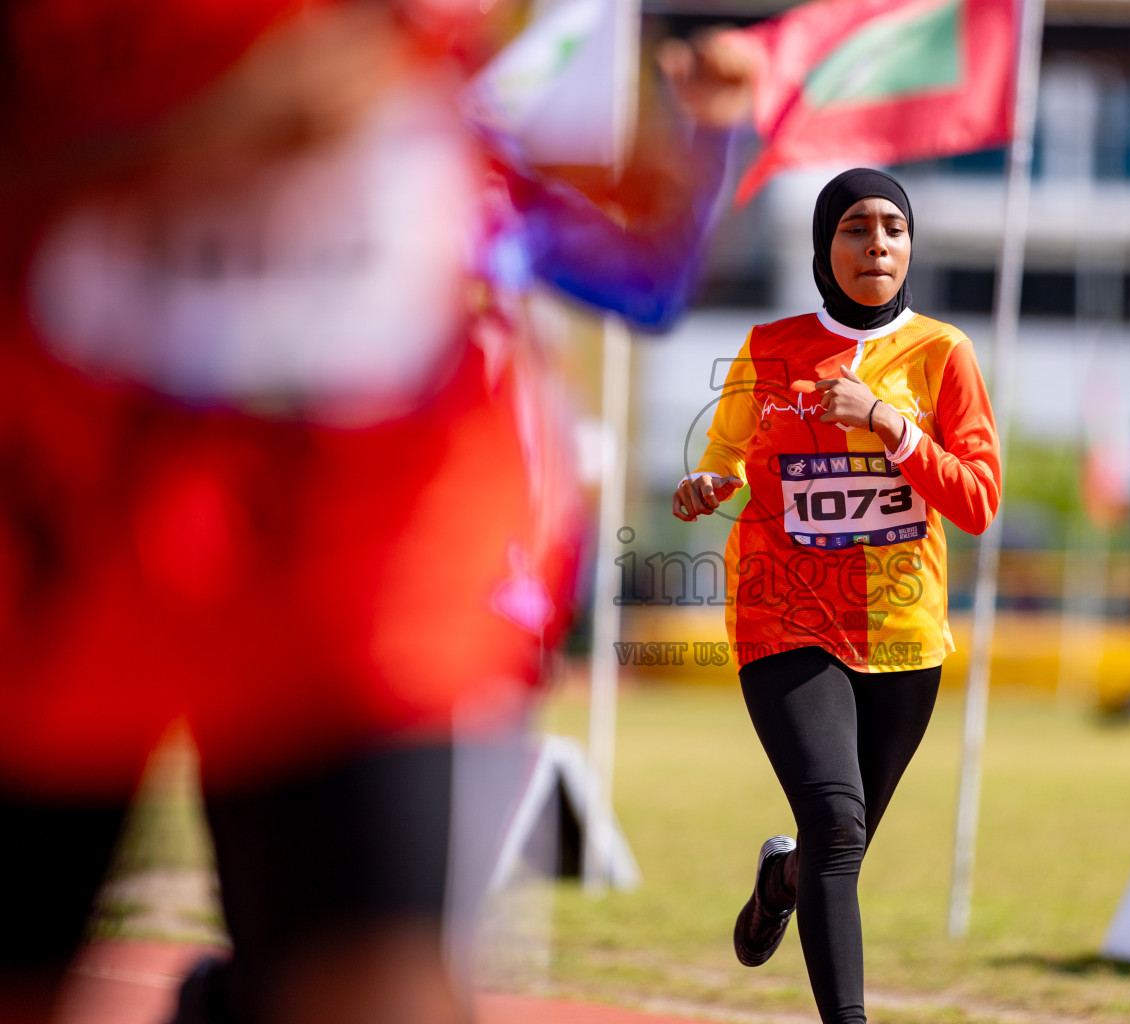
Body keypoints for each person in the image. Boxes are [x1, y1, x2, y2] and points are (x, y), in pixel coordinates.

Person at [0, 3, 750, 1022]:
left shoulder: (462, 168)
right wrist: (195, 132)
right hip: (66, 496)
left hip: (381, 546)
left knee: (369, 970)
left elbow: (648, 275)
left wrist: (711, 130)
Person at [672, 168, 1001, 1024]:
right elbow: (726, 454)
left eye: (893, 228)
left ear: (911, 246)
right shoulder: (770, 345)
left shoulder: (943, 354)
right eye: (856, 228)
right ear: (826, 246)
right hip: (783, 617)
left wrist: (889, 424)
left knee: (831, 849)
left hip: (902, 635)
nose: (877, 245)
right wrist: (709, 484)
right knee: (840, 829)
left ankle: (780, 879)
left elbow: (977, 501)